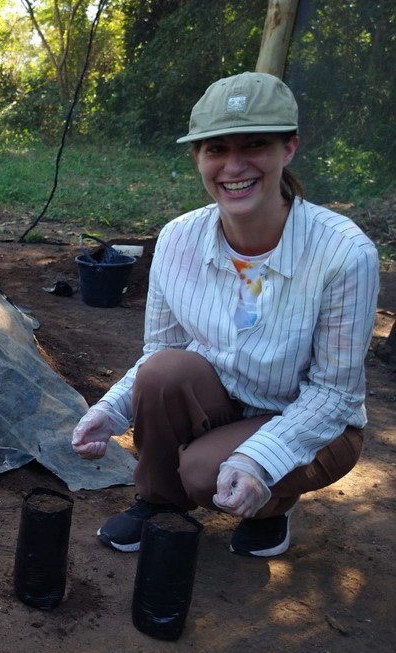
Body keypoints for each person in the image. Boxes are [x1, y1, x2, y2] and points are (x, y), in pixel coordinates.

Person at [71, 72, 378, 559]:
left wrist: (260, 459)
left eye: (254, 145)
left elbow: (335, 393)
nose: (234, 166)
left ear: (289, 149)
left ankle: (272, 506)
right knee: (166, 370)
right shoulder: (178, 239)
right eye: (216, 150)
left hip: (315, 421)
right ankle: (159, 504)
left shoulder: (343, 253)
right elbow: (160, 353)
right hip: (225, 399)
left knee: (203, 471)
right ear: (198, 158)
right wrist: (110, 411)